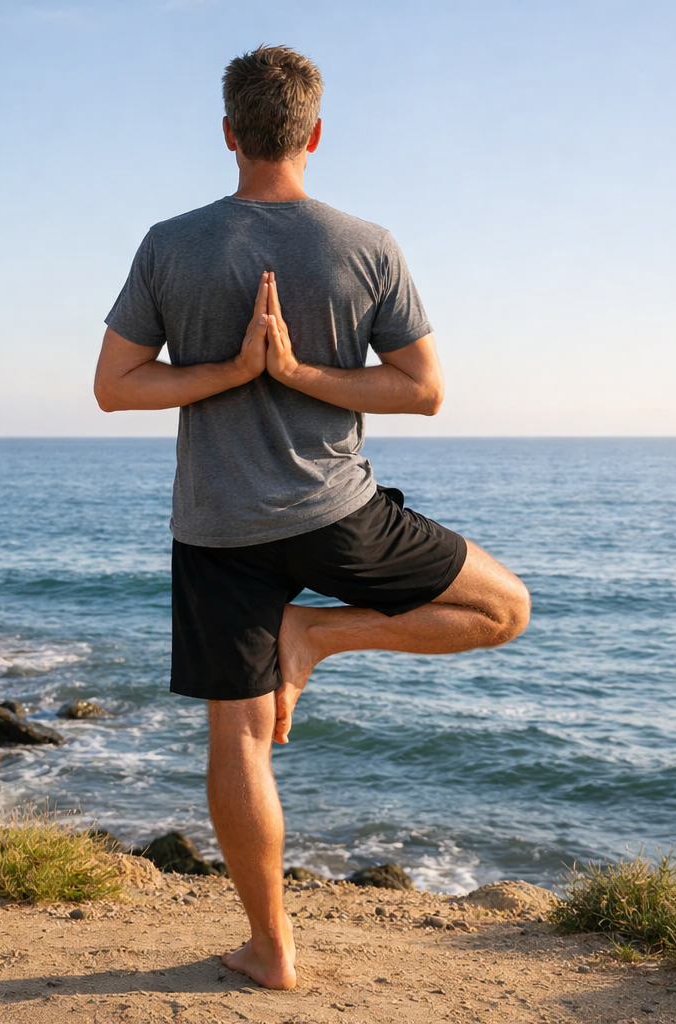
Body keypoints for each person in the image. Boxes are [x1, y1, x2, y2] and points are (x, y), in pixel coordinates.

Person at [94, 45, 530, 991]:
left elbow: (114, 387)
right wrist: (290, 375)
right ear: (315, 134)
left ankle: (272, 950)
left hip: (217, 529)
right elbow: (425, 392)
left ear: (228, 134)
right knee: (505, 609)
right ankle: (321, 635)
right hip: (337, 511)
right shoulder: (365, 244)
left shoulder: (171, 243)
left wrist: (244, 371)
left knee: (239, 738)